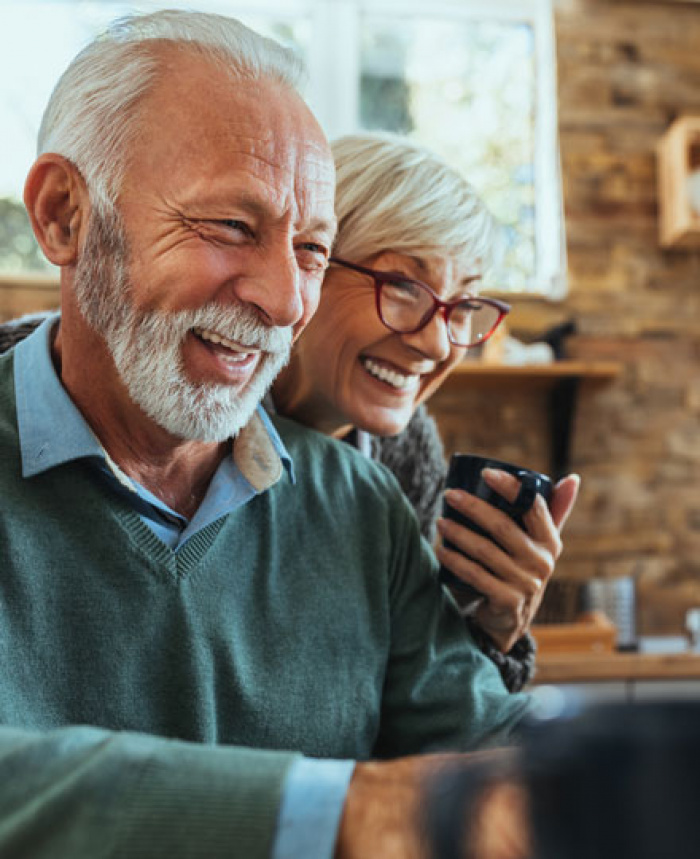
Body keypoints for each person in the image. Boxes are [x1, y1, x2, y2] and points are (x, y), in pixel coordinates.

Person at [0, 10, 531, 859]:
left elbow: (494, 754)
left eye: (314, 249)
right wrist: (348, 813)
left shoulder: (363, 503)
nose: (287, 300)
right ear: (64, 216)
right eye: (232, 226)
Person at [272, 133, 580, 690]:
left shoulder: (404, 451)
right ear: (306, 262)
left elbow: (418, 704)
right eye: (403, 286)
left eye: (462, 306)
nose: (439, 346)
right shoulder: (198, 428)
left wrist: (491, 628)